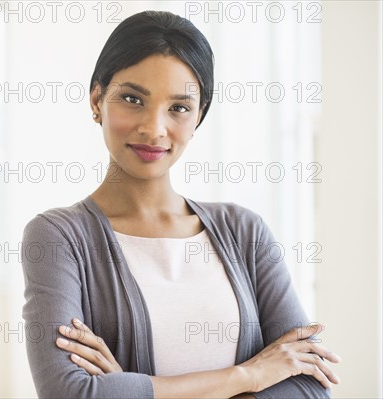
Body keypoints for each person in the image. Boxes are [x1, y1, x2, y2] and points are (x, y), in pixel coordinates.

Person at [20, 10, 340, 399]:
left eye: (179, 107)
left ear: (199, 116)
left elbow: (309, 385)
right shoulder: (59, 237)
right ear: (97, 99)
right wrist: (250, 376)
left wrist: (133, 388)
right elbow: (70, 393)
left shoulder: (243, 230)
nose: (154, 128)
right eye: (132, 99)